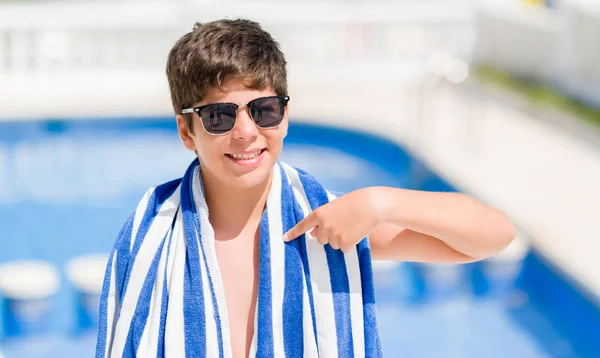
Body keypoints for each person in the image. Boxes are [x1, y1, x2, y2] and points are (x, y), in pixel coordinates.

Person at [95, 19, 516, 358]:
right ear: (187, 130)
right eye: (219, 116)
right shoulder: (149, 239)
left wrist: (381, 201)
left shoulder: (325, 228)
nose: (246, 132)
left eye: (264, 110)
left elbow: (494, 236)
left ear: (285, 114)